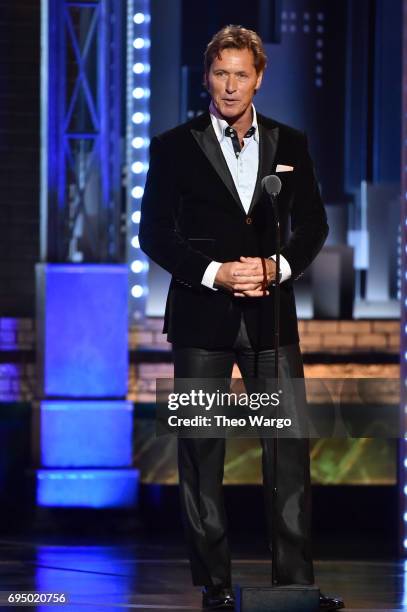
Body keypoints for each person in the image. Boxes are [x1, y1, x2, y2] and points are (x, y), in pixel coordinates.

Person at [140, 25, 344, 611]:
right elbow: (153, 232)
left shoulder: (291, 144)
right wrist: (214, 273)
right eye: (221, 73)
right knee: (202, 452)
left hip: (272, 320)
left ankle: (295, 584)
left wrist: (276, 267)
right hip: (201, 317)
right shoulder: (173, 146)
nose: (230, 86)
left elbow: (314, 226)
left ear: (259, 79)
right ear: (207, 77)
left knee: (289, 452)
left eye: (242, 74)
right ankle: (216, 586)